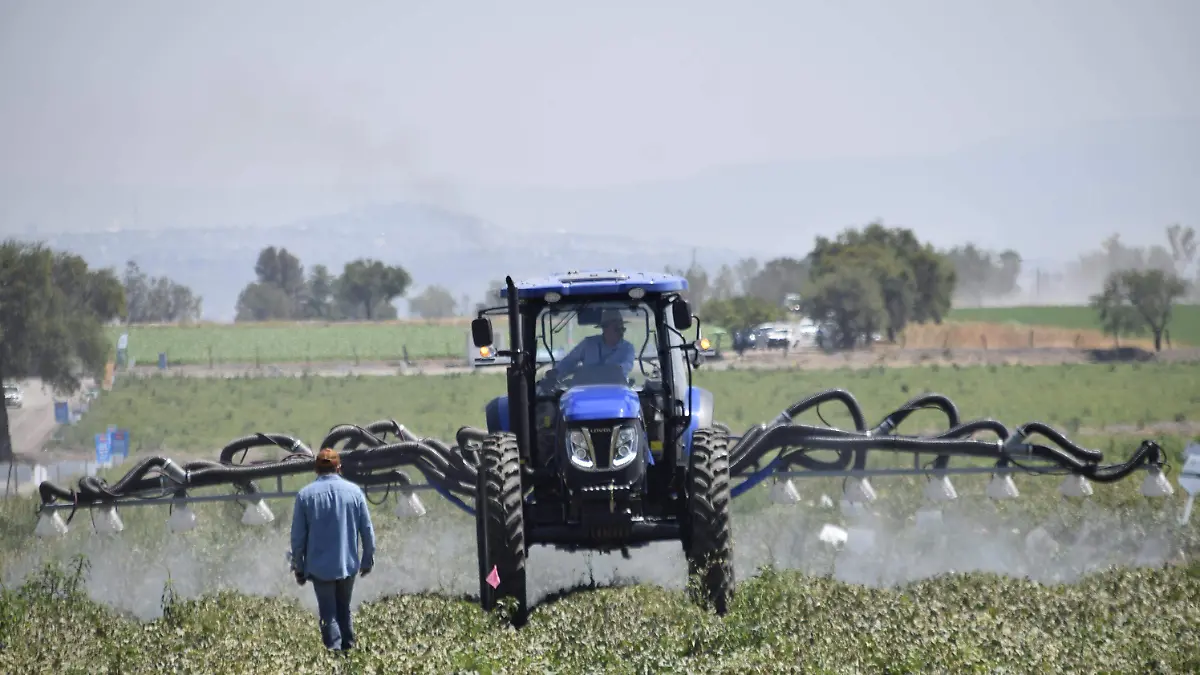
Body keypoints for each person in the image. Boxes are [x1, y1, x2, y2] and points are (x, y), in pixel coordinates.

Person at [289, 448, 376, 652]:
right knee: (344, 610)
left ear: (316, 469)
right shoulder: (354, 492)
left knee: (328, 614)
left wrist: (299, 568)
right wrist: (367, 560)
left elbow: (297, 539)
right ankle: (349, 652)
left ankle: (335, 656)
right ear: (338, 467)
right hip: (347, 564)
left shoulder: (305, 496)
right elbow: (367, 531)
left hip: (320, 567)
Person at [551, 308, 637, 380]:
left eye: (622, 329)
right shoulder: (588, 343)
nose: (621, 333)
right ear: (605, 329)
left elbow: (625, 367)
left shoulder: (628, 348)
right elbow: (570, 361)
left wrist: (603, 371)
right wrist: (556, 373)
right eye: (617, 329)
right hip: (587, 388)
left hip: (617, 388)